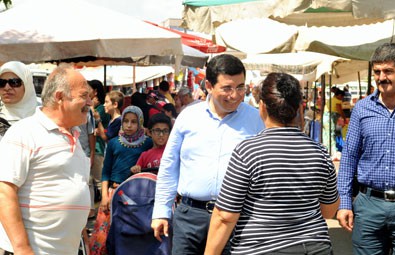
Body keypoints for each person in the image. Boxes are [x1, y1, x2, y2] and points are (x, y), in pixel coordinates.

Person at [204, 72, 340, 255]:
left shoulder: (247, 152)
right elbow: (329, 210)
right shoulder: (320, 152)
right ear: (299, 107)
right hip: (314, 247)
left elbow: (225, 216)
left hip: (260, 248)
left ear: (262, 107)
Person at [151, 54, 265, 254]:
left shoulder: (256, 120)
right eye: (227, 88)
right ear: (209, 86)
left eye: (240, 87)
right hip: (189, 218)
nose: (235, 95)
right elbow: (169, 165)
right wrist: (161, 210)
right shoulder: (188, 117)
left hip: (237, 219)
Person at [0, 64, 92, 254]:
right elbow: (4, 191)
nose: (90, 102)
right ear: (60, 97)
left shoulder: (73, 134)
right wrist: (23, 249)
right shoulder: (24, 133)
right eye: (84, 96)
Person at [337, 42, 395, 255]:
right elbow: (349, 157)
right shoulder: (362, 109)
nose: (382, 77)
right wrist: (344, 202)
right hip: (368, 206)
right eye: (377, 72)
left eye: (388, 71)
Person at [99, 105, 153, 213]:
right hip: (115, 191)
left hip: (139, 194)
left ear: (140, 122)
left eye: (133, 122)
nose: (129, 125)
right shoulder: (113, 143)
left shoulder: (148, 143)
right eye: (126, 121)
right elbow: (106, 172)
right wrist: (104, 196)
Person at [0, 61, 38, 138]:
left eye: (14, 82)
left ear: (27, 86)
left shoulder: (42, 117)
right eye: (1, 83)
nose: (7, 88)